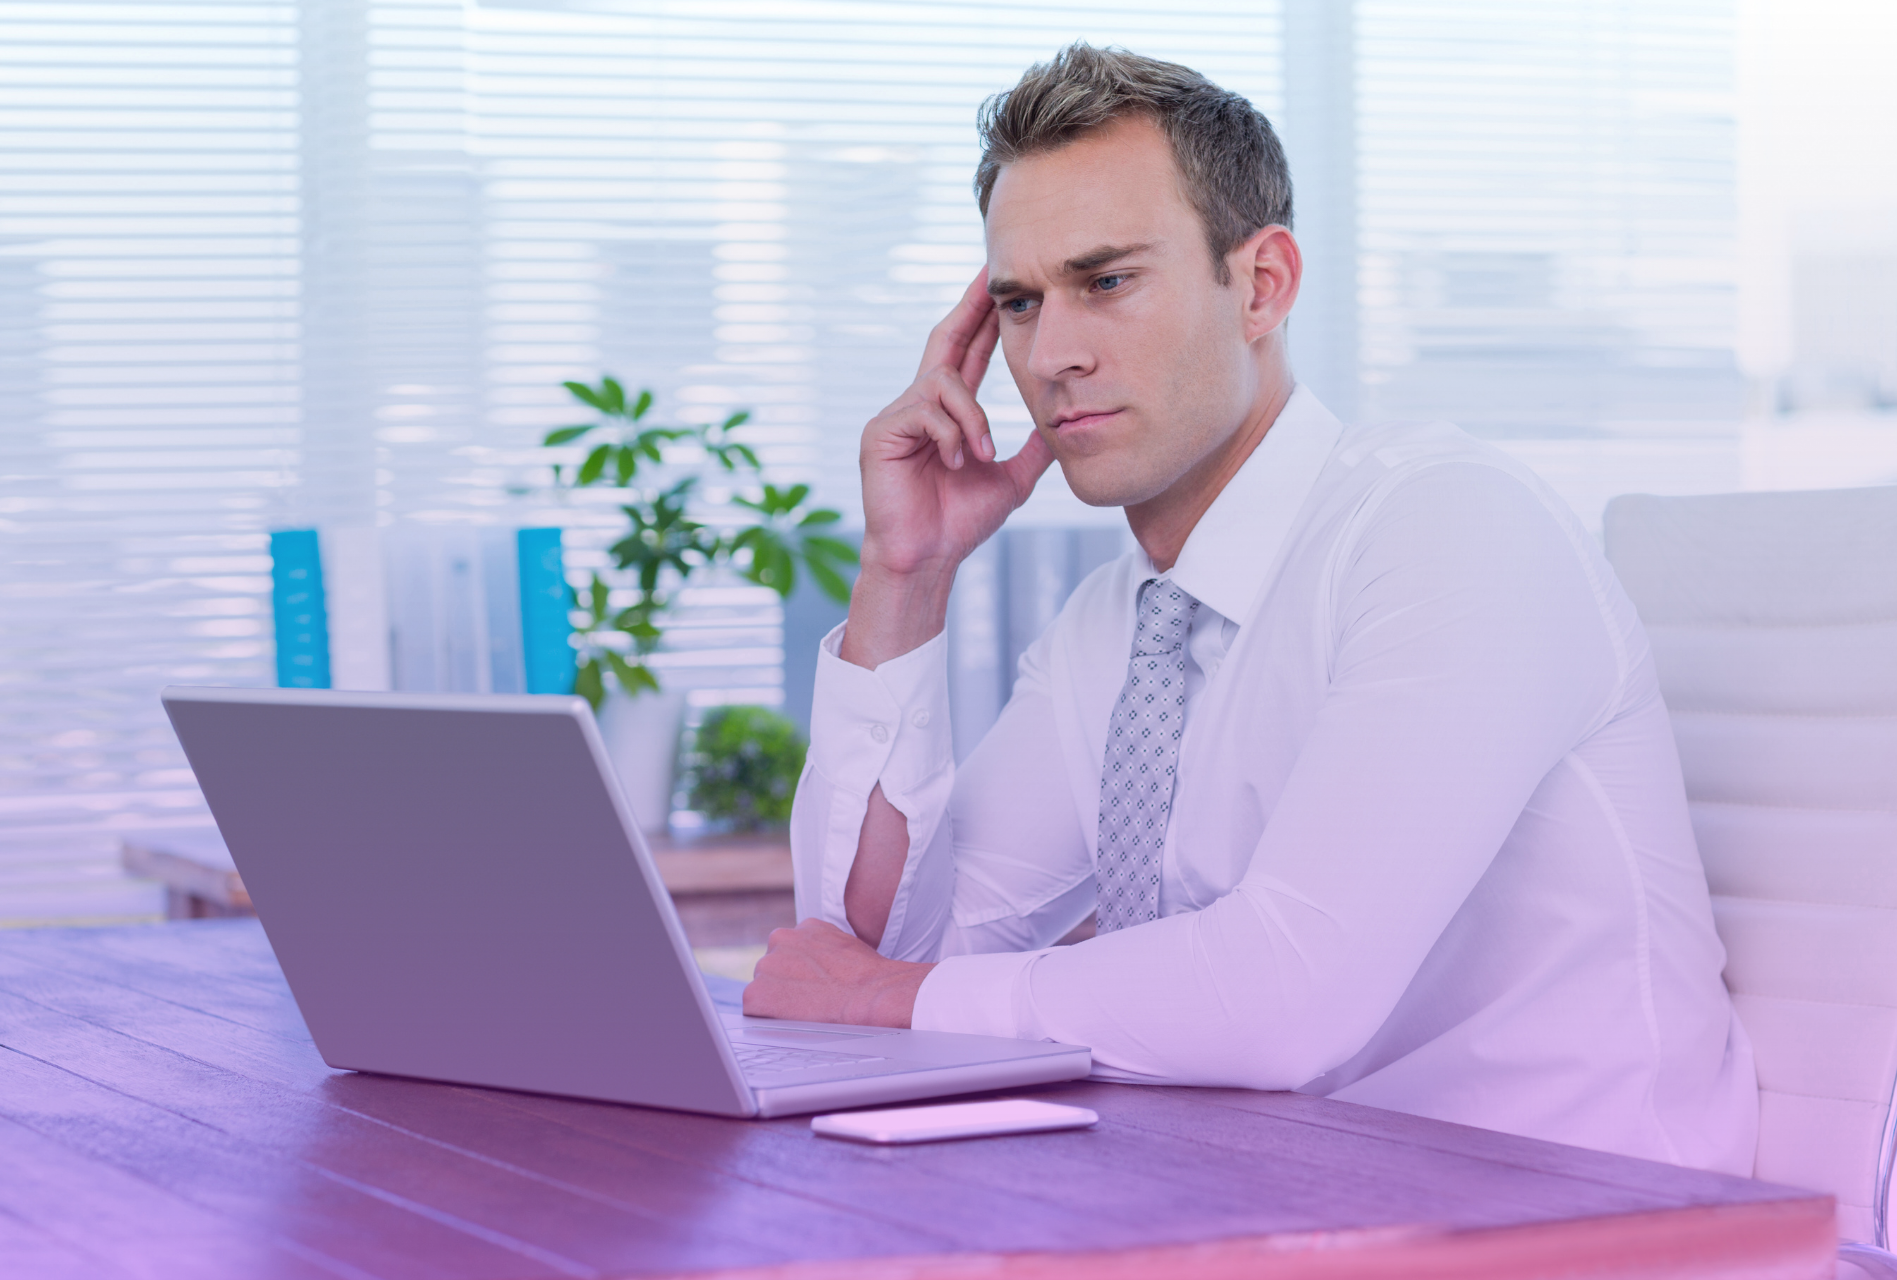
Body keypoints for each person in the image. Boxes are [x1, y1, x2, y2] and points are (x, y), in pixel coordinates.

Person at [743, 43, 1758, 1174]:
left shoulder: (1448, 528)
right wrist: (905, 575)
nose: (1053, 354)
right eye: (1020, 303)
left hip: (1596, 1219)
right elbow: (869, 957)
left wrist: (893, 997)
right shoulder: (1115, 623)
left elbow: (1287, 992)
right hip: (1286, 1201)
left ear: (1263, 284)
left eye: (1108, 280)